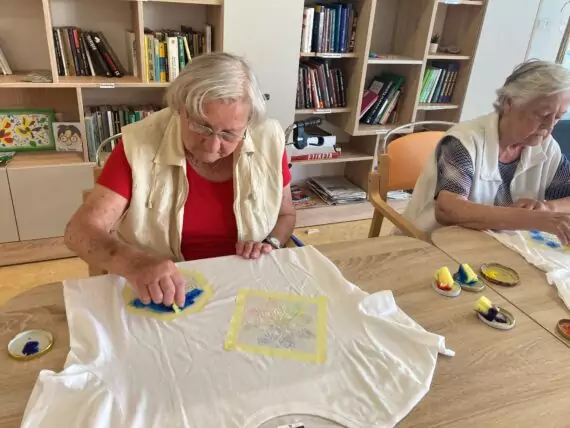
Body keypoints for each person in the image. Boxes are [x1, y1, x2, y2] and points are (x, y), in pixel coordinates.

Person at [65, 52, 296, 308]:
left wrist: (271, 244)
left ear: (248, 123)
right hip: (161, 295)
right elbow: (79, 231)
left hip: (242, 286)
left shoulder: (268, 140)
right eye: (201, 126)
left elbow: (286, 215)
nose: (212, 146)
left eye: (229, 134)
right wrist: (135, 263)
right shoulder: (139, 145)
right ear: (179, 108)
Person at [404, 59, 570, 242]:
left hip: (494, 244)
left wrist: (548, 209)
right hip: (430, 242)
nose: (549, 126)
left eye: (558, 117)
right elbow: (448, 209)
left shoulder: (547, 147)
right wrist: (534, 219)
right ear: (509, 103)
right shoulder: (463, 141)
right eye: (542, 114)